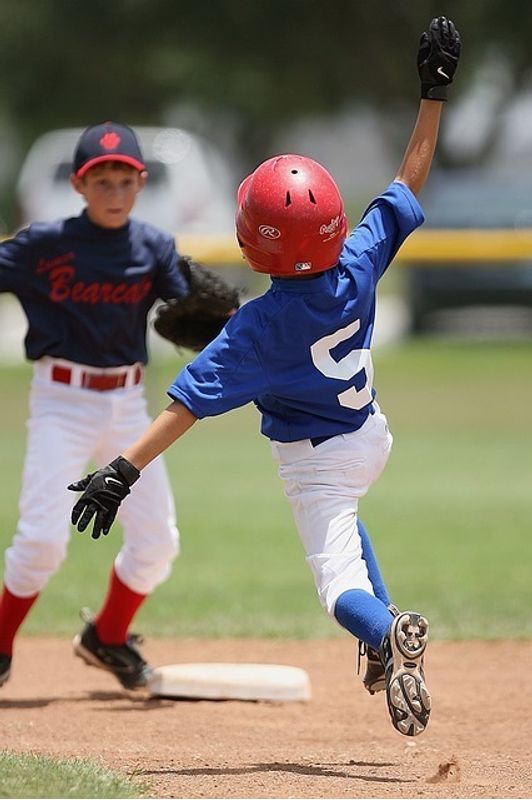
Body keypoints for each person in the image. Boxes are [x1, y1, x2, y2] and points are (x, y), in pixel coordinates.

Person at [69, 18, 461, 735]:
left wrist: (121, 469)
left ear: (255, 244)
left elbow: (183, 407)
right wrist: (432, 92)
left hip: (320, 462)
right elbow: (408, 178)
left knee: (336, 579)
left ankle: (386, 625)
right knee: (346, 521)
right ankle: (381, 647)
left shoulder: (254, 331)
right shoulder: (360, 259)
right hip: (370, 431)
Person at [0, 121, 237, 692]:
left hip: (128, 405)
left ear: (140, 182)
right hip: (61, 401)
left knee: (158, 544)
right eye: (100, 179)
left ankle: (105, 637)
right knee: (41, 542)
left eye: (123, 179)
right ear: (80, 185)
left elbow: (200, 303)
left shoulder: (152, 247)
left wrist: (226, 315)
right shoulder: (45, 245)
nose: (112, 191)